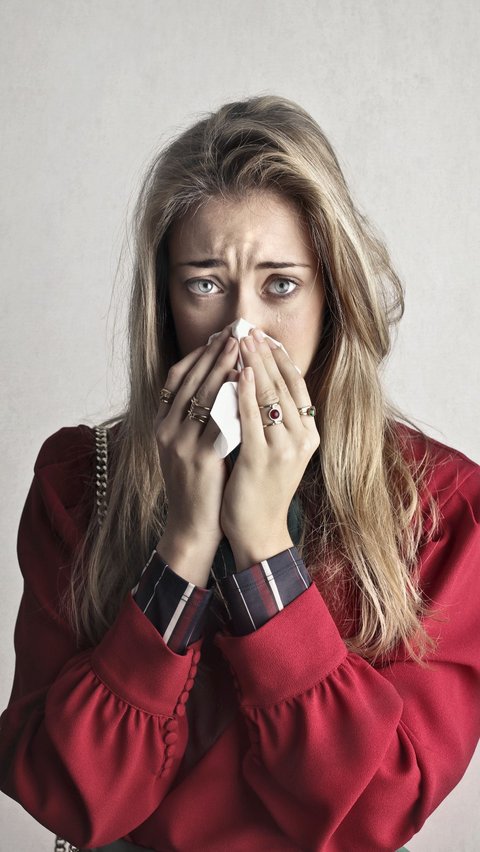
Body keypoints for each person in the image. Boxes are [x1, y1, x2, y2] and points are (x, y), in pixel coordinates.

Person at [0, 95, 479, 852]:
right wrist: (185, 542)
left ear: (333, 298)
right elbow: (68, 794)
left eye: (280, 285)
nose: (241, 329)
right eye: (205, 283)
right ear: (165, 304)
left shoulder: (441, 506)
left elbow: (376, 811)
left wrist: (263, 547)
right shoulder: (75, 481)